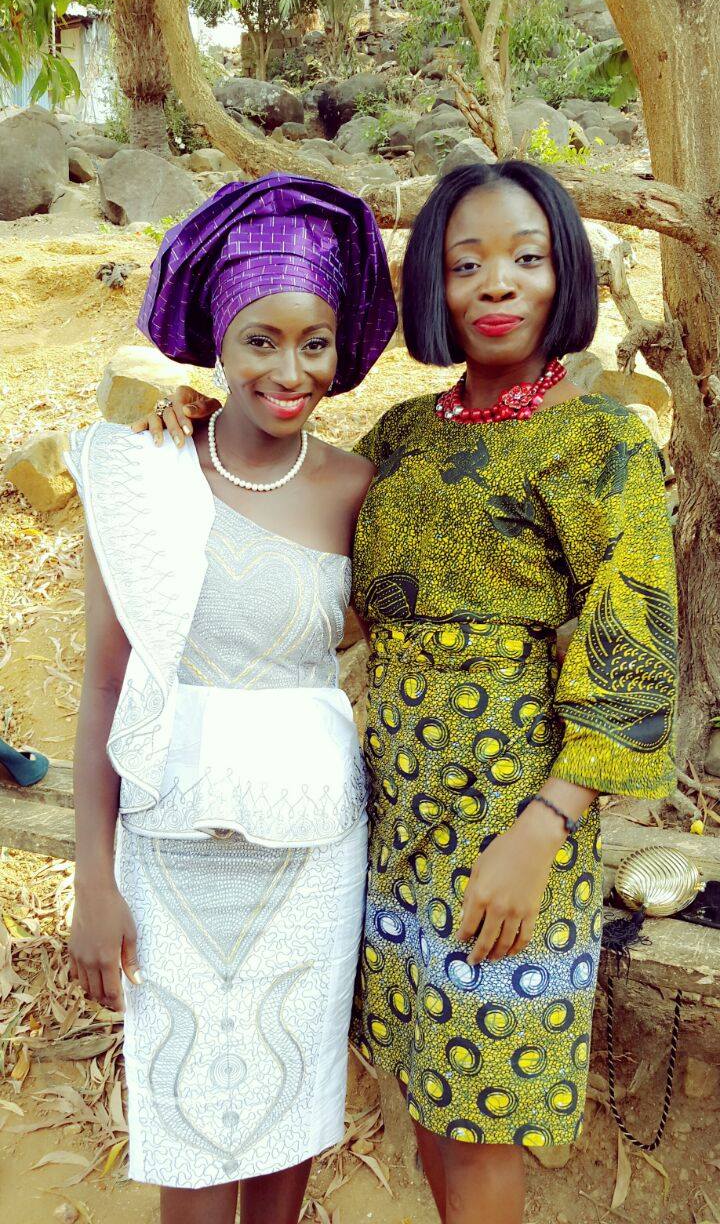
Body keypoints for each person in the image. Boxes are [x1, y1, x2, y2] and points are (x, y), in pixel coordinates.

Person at [139, 161, 677, 1224]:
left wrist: (541, 832)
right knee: (433, 1112)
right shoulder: (401, 438)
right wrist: (208, 426)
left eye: (527, 257)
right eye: (465, 263)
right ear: (432, 283)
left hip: (512, 833)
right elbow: (311, 576)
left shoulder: (603, 442)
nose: (496, 282)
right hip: (390, 826)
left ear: (565, 272)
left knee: (478, 1134)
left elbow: (634, 655)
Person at [65, 173, 398, 1224]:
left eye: (314, 343)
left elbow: (368, 637)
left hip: (312, 854)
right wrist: (92, 879)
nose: (289, 371)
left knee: (291, 1109)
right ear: (218, 337)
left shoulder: (358, 489)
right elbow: (107, 683)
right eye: (261, 340)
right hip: (169, 852)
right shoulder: (146, 475)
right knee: (194, 1135)